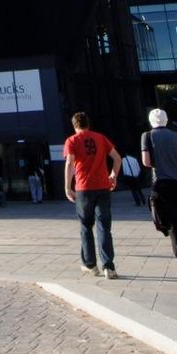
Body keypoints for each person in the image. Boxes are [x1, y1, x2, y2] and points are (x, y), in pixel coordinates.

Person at [63, 112, 121, 279]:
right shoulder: (101, 138)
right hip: (103, 186)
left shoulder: (71, 141)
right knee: (104, 227)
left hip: (84, 188)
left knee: (86, 226)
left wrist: (67, 187)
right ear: (88, 123)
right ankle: (109, 267)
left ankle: (90, 265)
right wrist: (113, 176)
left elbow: (70, 163)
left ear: (74, 125)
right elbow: (117, 158)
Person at [141, 109, 177, 278]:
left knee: (173, 225)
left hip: (162, 184)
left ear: (151, 121)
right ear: (166, 120)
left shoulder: (147, 136)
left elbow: (146, 162)